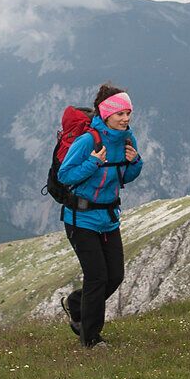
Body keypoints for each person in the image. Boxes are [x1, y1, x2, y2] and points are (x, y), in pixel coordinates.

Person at [58, 85, 144, 347]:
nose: (126, 119)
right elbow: (65, 176)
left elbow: (124, 177)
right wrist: (92, 162)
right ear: (106, 114)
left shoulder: (127, 140)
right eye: (120, 114)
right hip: (80, 219)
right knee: (97, 277)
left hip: (108, 218)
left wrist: (135, 162)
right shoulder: (88, 141)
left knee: (115, 275)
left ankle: (76, 303)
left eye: (128, 113)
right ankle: (91, 339)